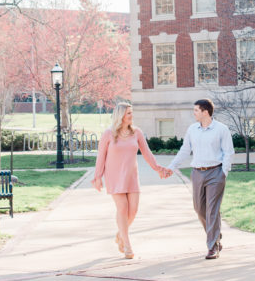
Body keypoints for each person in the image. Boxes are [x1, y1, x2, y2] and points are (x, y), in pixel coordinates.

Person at [92, 102, 167, 259]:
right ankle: (127, 245)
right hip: (114, 176)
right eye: (129, 114)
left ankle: (120, 234)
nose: (132, 116)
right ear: (121, 116)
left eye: (132, 113)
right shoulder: (108, 134)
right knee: (122, 208)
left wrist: (158, 168)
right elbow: (101, 156)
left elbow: (147, 153)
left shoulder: (136, 132)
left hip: (131, 176)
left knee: (133, 211)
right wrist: (97, 177)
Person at [165, 99, 235, 259]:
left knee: (212, 210)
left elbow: (228, 152)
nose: (194, 113)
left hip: (215, 173)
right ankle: (216, 235)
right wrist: (171, 167)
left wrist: (224, 172)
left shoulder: (221, 129)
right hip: (197, 173)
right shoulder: (192, 129)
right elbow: (185, 150)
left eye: (196, 110)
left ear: (205, 112)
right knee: (199, 209)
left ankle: (212, 246)